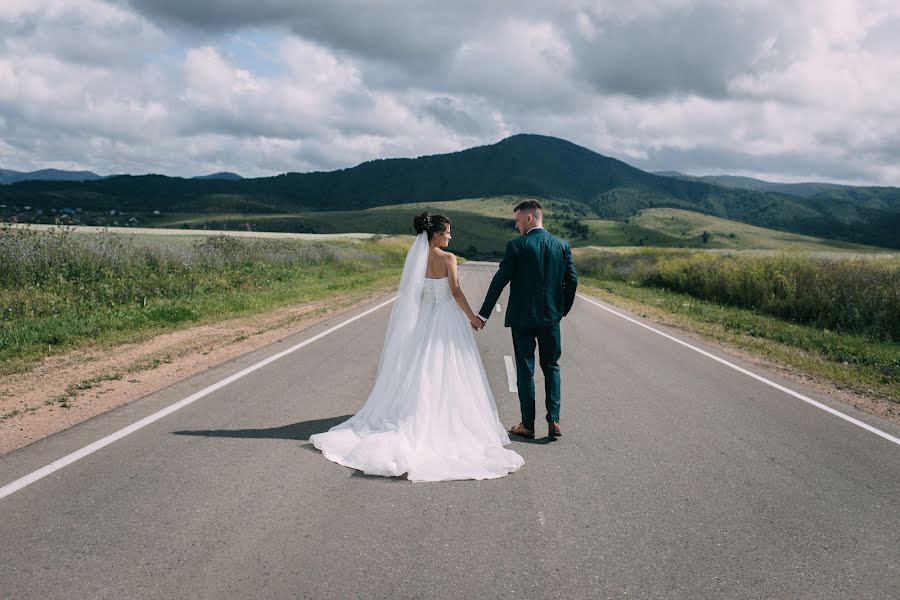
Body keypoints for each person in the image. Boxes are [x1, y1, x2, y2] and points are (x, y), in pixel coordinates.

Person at [310, 212, 523, 482]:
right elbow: (455, 292)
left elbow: (414, 293)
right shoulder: (448, 258)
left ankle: (417, 412)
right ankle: (442, 420)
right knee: (449, 370)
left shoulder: (418, 258)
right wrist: (473, 317)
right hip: (446, 317)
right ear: (436, 234)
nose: (450, 236)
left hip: (424, 318)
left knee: (421, 368)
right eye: (447, 231)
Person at [477, 199, 578, 439]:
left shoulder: (517, 246)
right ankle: (554, 421)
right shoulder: (562, 246)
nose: (516, 225)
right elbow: (571, 281)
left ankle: (528, 425)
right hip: (550, 318)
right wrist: (561, 310)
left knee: (526, 370)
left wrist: (483, 314)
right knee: (552, 366)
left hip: (522, 320)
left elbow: (499, 281)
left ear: (529, 218)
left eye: (518, 220)